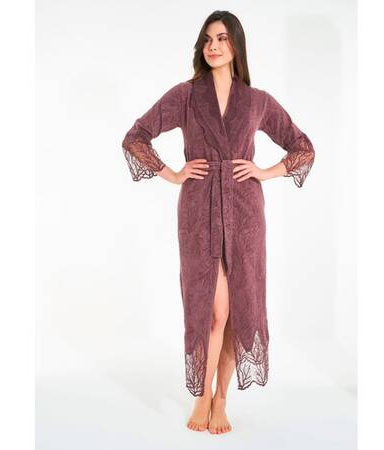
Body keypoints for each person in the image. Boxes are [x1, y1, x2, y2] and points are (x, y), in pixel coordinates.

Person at [121, 10, 315, 434]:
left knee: (239, 308)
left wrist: (265, 171)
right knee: (214, 310)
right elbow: (136, 136)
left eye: (223, 38)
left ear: (236, 46)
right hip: (199, 211)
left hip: (245, 213)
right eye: (208, 39)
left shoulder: (257, 101)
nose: (213, 46)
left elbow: (302, 146)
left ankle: (221, 398)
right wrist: (172, 173)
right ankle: (202, 396)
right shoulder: (187, 96)